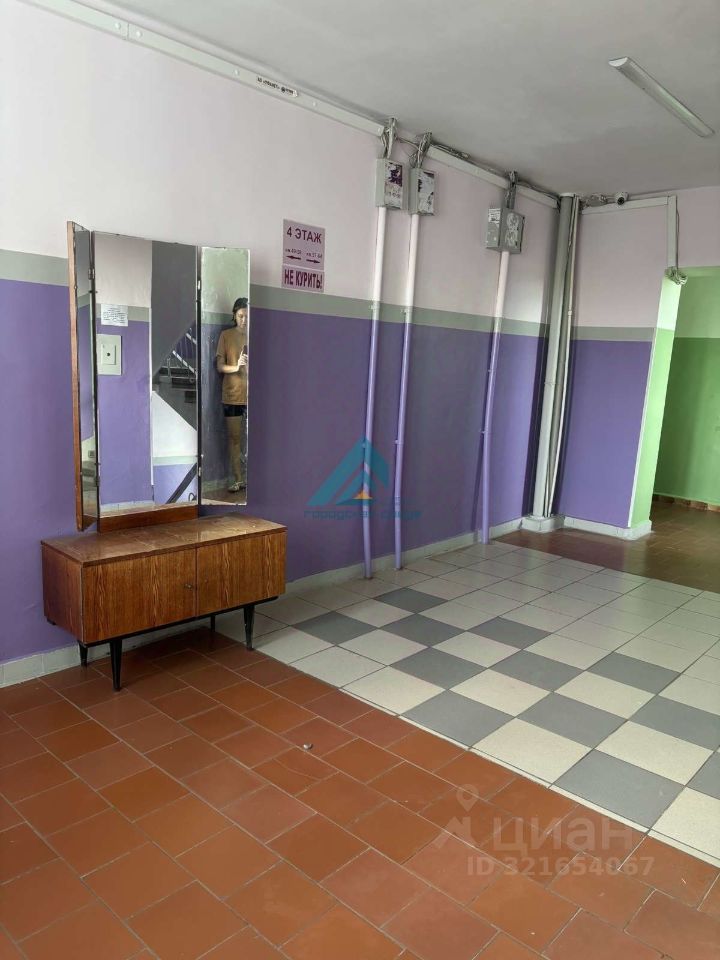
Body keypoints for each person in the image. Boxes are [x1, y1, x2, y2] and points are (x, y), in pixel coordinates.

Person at [216, 297, 248, 492]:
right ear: (234, 315)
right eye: (241, 316)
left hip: (254, 394)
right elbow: (220, 367)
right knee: (234, 438)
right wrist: (236, 366)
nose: (244, 320)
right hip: (233, 395)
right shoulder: (226, 336)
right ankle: (238, 479)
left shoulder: (257, 335)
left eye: (247, 316)